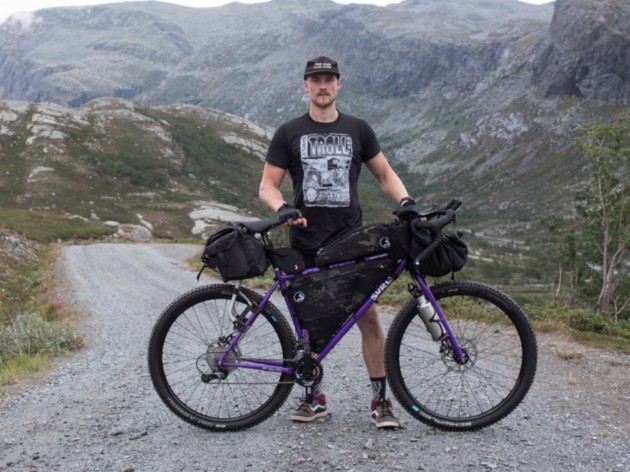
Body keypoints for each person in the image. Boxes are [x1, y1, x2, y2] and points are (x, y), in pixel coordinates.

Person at [259, 56, 414, 429]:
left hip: (351, 241)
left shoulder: (358, 129)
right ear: (305, 86)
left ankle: (380, 401)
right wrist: (283, 208)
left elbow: (384, 174)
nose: (322, 85)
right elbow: (267, 186)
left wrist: (407, 203)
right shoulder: (288, 132)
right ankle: (313, 398)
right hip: (306, 241)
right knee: (309, 324)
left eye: (329, 79)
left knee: (369, 318)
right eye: (316, 80)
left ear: (339, 85)